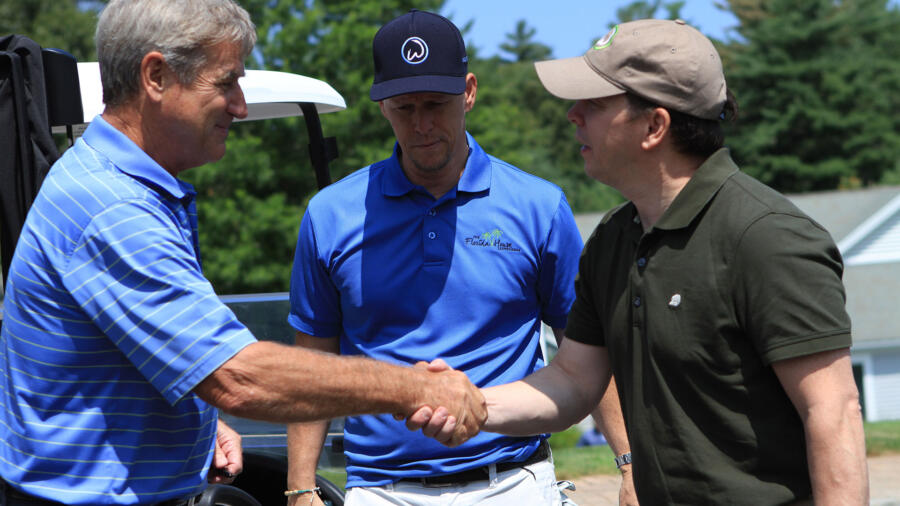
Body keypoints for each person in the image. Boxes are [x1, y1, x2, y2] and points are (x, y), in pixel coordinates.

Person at [0, 1, 486, 505]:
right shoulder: (113, 209)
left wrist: (197, 423)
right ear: (156, 75)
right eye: (226, 82)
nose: (240, 106)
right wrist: (416, 388)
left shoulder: (116, 187)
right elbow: (237, 377)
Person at [415, 18, 869, 505]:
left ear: (655, 125)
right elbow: (573, 380)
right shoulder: (614, 239)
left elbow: (833, 411)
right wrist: (473, 403)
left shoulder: (765, 236)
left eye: (594, 102)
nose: (573, 115)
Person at [285, 9, 586, 506]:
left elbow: (586, 350)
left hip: (512, 481)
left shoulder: (539, 206)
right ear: (382, 107)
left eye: (436, 104)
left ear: (468, 91)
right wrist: (300, 488)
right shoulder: (330, 215)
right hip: (380, 490)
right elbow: (312, 364)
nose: (422, 124)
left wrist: (629, 465)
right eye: (404, 108)